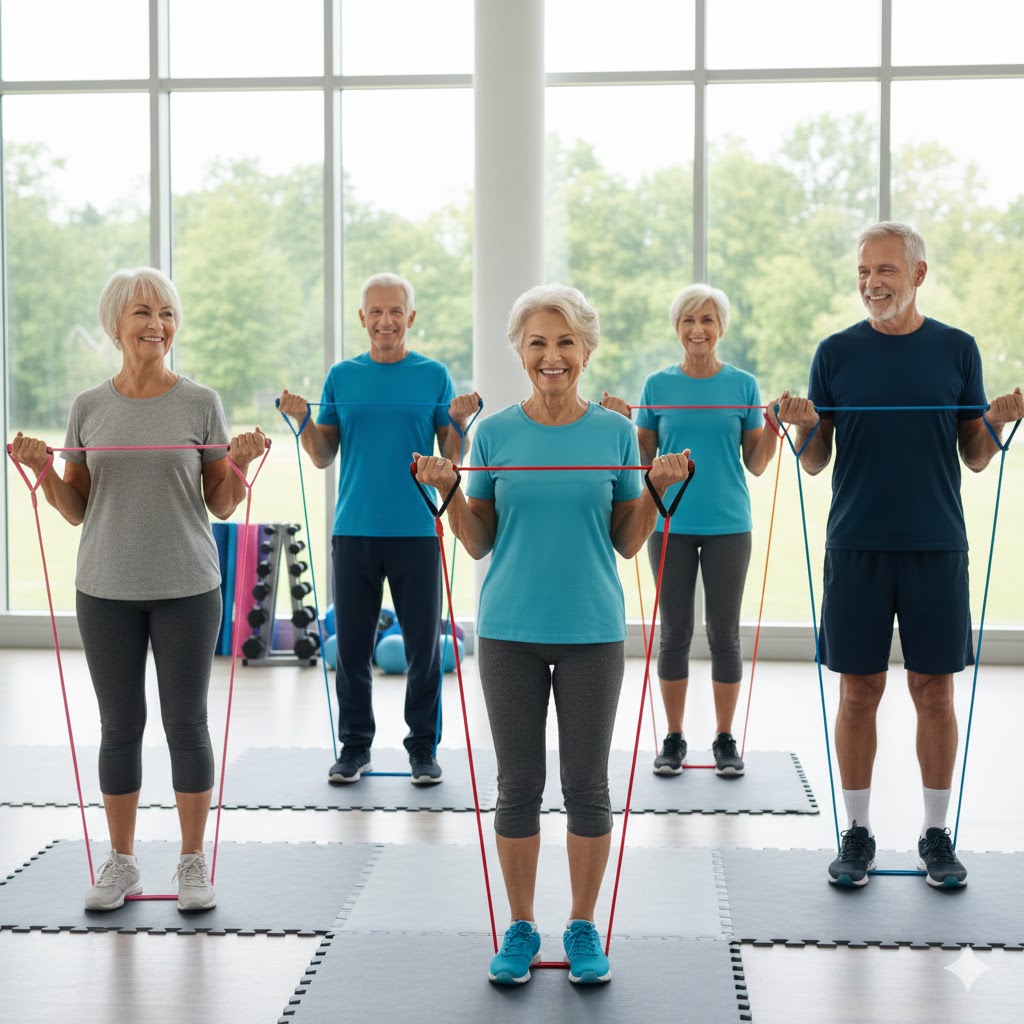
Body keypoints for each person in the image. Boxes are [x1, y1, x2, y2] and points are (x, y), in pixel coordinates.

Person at [414, 284, 691, 986]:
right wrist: (446, 493)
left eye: (565, 341)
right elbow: (479, 542)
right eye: (537, 342)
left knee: (587, 787)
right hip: (509, 630)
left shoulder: (614, 434)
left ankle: (583, 927)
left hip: (592, 630)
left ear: (587, 349)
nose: (551, 356)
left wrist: (659, 491)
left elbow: (628, 543)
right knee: (518, 787)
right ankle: (519, 927)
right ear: (519, 352)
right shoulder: (496, 434)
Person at [10, 267, 267, 912]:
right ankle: (121, 863)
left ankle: (190, 862)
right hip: (105, 587)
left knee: (187, 724)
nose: (157, 324)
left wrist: (238, 461)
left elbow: (221, 502)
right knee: (119, 727)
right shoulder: (89, 407)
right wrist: (44, 468)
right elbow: (76, 507)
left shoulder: (199, 401)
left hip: (187, 585)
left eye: (167, 313)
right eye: (143, 312)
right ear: (116, 323)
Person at [776, 221, 1023, 889]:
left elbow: (975, 457)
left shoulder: (957, 350)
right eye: (863, 271)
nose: (871, 283)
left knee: (933, 692)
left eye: (884, 270)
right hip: (854, 545)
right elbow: (815, 461)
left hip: (935, 545)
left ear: (917, 274)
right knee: (859, 692)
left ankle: (937, 836)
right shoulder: (835, 353)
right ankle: (855, 834)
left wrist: (998, 421)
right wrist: (802, 428)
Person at [278, 273, 479, 786]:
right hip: (355, 531)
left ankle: (422, 751)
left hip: (416, 529)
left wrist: (458, 425)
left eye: (396, 312)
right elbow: (324, 456)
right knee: (351, 651)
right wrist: (303, 422)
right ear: (362, 318)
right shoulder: (342, 377)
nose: (385, 321)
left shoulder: (433, 375)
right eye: (376, 312)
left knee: (423, 651)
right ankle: (354, 747)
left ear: (410, 318)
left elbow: (448, 462)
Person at [603, 285, 781, 778]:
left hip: (728, 523)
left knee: (724, 634)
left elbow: (757, 463)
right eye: (688, 320)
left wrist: (772, 426)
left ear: (721, 327)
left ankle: (725, 739)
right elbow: (641, 463)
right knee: (674, 634)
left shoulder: (743, 385)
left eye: (706, 320)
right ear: (676, 328)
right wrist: (621, 424)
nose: (697, 329)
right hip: (667, 523)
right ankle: (674, 738)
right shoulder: (657, 387)